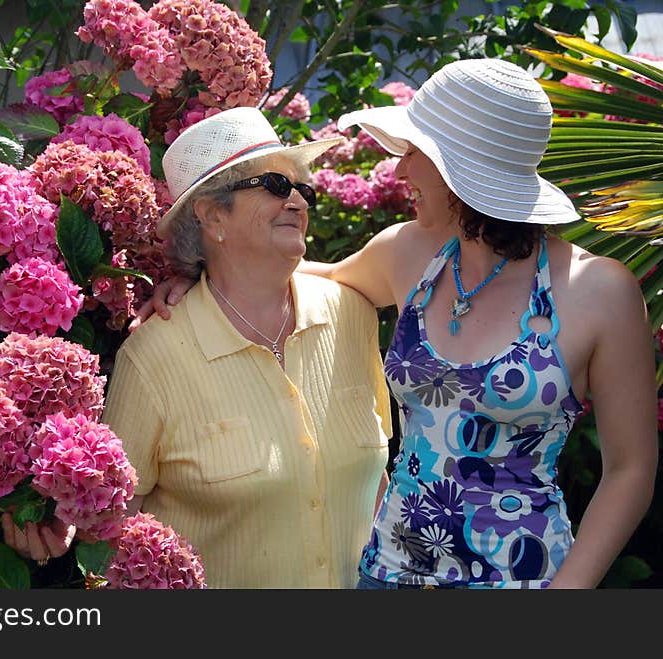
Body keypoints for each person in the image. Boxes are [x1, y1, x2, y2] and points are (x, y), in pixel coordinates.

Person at [141, 59, 658, 589]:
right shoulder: (408, 254)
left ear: (460, 168)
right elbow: (296, 276)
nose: (398, 171)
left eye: (414, 153)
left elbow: (631, 469)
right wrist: (199, 282)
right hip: (388, 574)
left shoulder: (598, 292)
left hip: (525, 579)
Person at [88, 106, 391, 588]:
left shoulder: (353, 315)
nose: (297, 201)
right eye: (275, 185)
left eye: (303, 189)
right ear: (211, 215)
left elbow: (377, 487)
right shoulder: (153, 357)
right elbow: (110, 532)